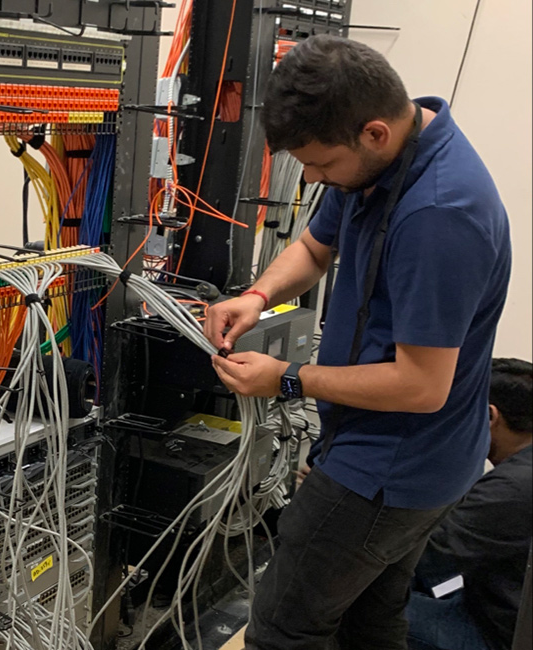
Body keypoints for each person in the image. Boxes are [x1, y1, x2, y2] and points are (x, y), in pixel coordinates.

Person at [202, 35, 512, 649]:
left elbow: (422, 386)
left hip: (392, 466)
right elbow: (317, 245)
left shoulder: (439, 214)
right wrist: (257, 295)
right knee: (370, 621)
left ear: (373, 132)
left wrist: (286, 377)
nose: (315, 180)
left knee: (284, 629)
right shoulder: (388, 158)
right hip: (413, 460)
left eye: (319, 166)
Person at [406, 358, 533, 650]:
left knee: (355, 611)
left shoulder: (512, 487)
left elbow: (424, 561)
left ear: (490, 416)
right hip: (496, 606)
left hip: (494, 634)